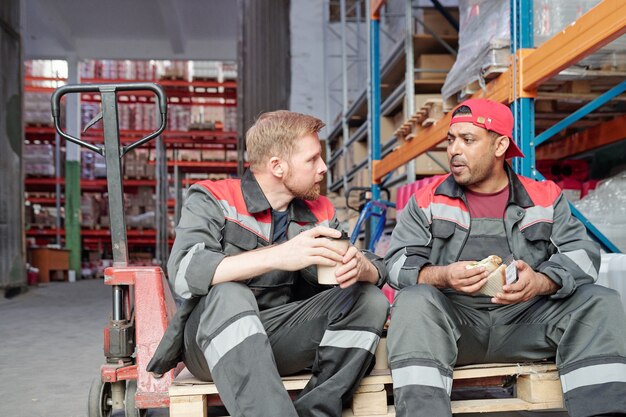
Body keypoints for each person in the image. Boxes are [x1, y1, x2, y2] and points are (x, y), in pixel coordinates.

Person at [384, 98, 626, 417]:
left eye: (468, 140)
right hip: (455, 325)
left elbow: (585, 256)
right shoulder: (427, 202)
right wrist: (442, 276)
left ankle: (604, 412)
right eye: (451, 139)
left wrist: (542, 281)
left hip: (525, 320)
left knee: (600, 301)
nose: (454, 150)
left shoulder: (544, 198)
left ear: (500, 145)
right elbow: (395, 263)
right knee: (413, 302)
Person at [147, 110, 390, 417]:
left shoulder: (319, 210)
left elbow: (363, 264)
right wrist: (281, 255)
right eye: (312, 159)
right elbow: (183, 271)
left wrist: (364, 268)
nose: (323, 168)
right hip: (212, 343)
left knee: (367, 299)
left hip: (279, 334)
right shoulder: (213, 197)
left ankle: (314, 411)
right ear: (277, 166)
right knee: (229, 294)